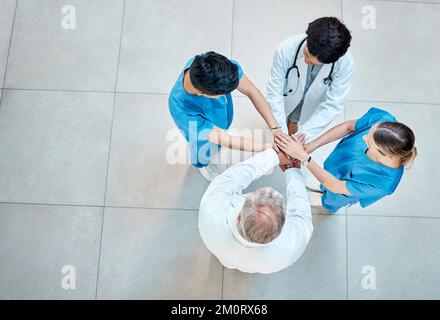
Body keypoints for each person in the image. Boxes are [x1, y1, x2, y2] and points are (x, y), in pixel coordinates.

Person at [274, 107, 417, 213]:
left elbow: (336, 186)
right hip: (337, 164)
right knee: (325, 178)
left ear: (384, 155)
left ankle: (324, 203)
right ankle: (322, 187)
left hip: (340, 190)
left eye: (369, 142)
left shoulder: (383, 184)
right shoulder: (384, 120)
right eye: (369, 132)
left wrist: (304, 158)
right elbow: (349, 127)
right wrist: (313, 145)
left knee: (333, 197)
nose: (364, 137)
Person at [169, 51, 283, 181]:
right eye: (224, 93)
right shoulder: (182, 110)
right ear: (201, 93)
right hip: (200, 134)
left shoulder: (215, 67)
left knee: (221, 132)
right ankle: (203, 165)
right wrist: (270, 147)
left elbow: (251, 91)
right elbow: (226, 140)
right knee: (202, 150)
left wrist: (275, 128)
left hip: (218, 117)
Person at [198, 146, 313, 274]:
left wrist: (275, 156)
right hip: (257, 266)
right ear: (280, 230)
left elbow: (232, 177)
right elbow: (301, 213)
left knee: (226, 261)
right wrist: (292, 171)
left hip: (219, 249)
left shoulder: (211, 211)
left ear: (239, 217)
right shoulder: (291, 248)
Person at [267, 17, 354, 140]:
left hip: (313, 101)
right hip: (291, 95)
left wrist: (303, 136)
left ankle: (293, 126)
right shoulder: (286, 48)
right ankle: (290, 125)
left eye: (314, 62)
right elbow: (274, 92)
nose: (306, 60)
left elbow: (334, 104)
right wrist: (280, 131)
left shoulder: (345, 63)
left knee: (297, 120)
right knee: (289, 117)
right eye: (306, 54)